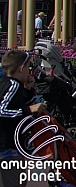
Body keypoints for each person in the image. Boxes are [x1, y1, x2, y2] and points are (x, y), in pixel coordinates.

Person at [0, 49, 47, 184]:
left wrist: (27, 90)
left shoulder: (7, 84)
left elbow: (14, 104)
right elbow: (2, 110)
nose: (29, 71)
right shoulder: (13, 85)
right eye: (28, 67)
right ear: (21, 69)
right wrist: (29, 110)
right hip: (7, 148)